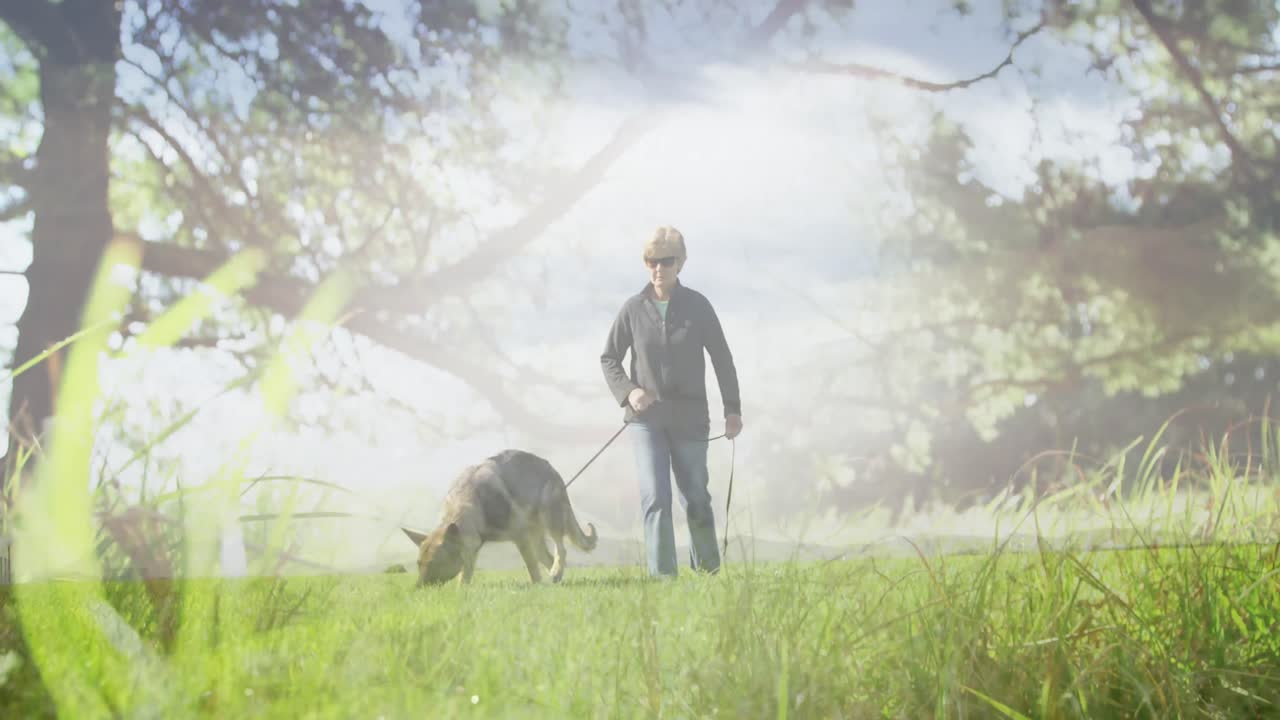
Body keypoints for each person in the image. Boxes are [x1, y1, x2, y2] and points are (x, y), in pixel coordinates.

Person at [600, 225, 742, 578]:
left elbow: (722, 358)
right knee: (656, 498)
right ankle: (664, 578)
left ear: (680, 263)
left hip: (691, 418)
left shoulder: (698, 306)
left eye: (666, 261)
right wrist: (629, 391)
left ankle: (708, 572)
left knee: (696, 498)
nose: (658, 268)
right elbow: (609, 359)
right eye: (651, 261)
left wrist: (732, 409)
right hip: (646, 421)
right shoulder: (633, 309)